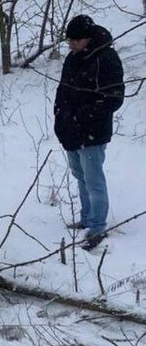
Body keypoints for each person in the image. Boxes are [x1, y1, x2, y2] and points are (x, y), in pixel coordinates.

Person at [53, 13, 125, 251]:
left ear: (89, 38)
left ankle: (97, 226)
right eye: (69, 41)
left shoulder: (106, 58)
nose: (72, 45)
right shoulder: (73, 58)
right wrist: (60, 115)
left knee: (93, 178)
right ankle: (86, 217)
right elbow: (63, 90)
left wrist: (82, 115)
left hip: (93, 130)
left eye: (76, 40)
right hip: (70, 129)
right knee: (79, 174)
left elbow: (113, 99)